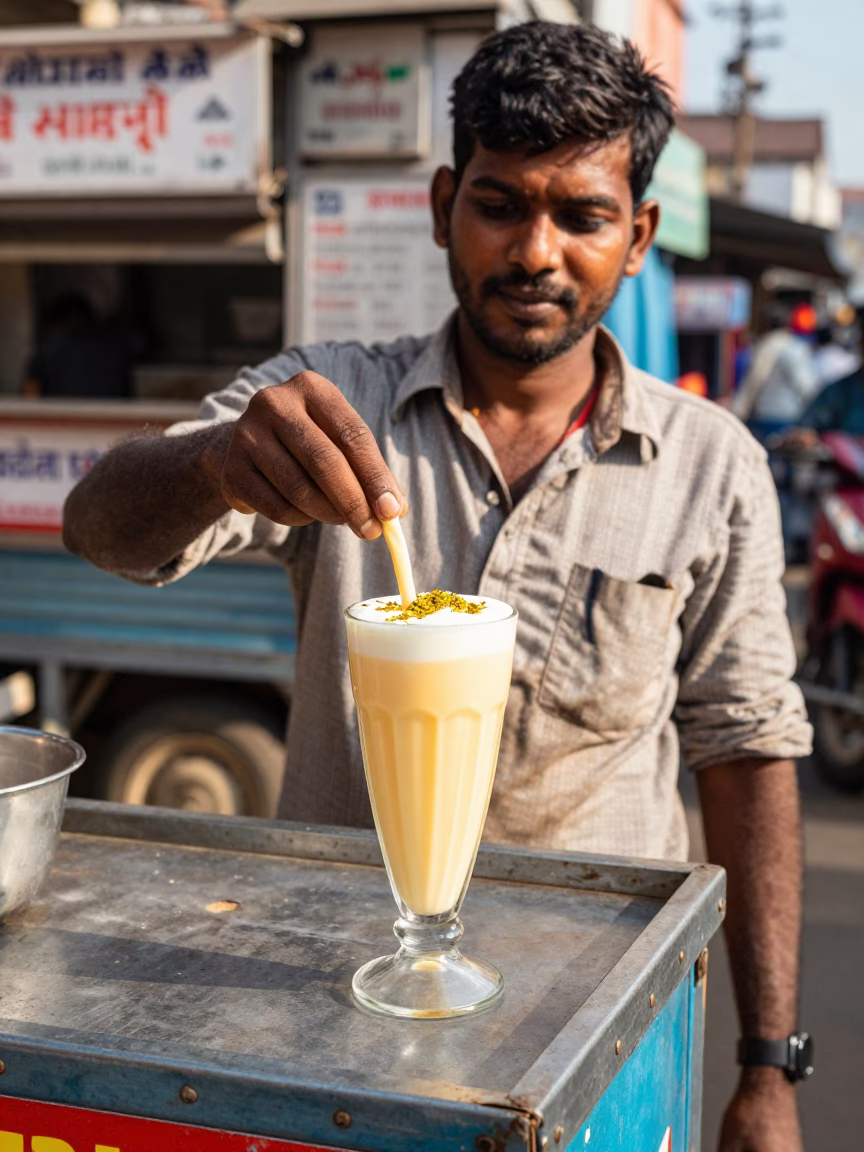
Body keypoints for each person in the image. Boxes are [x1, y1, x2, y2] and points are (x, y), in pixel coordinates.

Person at [63, 22, 811, 1151]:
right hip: (332, 1020)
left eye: (584, 215)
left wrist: (768, 1068)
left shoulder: (712, 466)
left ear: (640, 234)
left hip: (605, 1030)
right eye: (502, 204)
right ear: (441, 204)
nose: (536, 251)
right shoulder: (328, 405)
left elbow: (747, 753)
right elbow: (100, 528)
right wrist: (213, 465)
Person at [732, 304, 820, 441]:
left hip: (762, 416)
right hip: (785, 417)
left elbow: (750, 383)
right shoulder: (794, 348)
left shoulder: (760, 347)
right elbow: (807, 387)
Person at [24, 292, 132, 400]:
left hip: (63, 415)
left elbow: (29, 403)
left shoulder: (46, 354)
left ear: (58, 323)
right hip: (109, 415)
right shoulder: (115, 354)